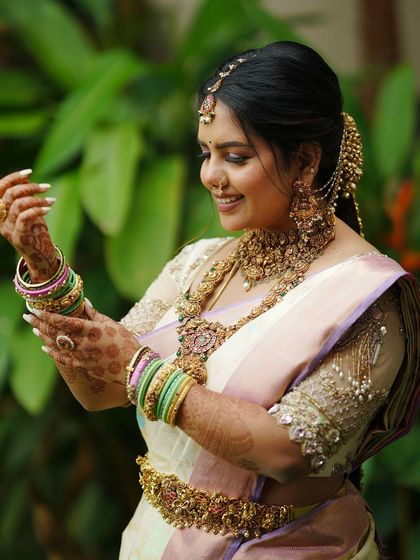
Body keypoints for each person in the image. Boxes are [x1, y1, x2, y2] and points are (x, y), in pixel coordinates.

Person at [0, 41, 418, 559]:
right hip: (155, 542)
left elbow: (286, 452)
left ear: (306, 160)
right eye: (206, 153)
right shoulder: (200, 263)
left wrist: (140, 370)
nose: (210, 176)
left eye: (235, 156)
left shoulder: (365, 297)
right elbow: (101, 389)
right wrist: (44, 267)